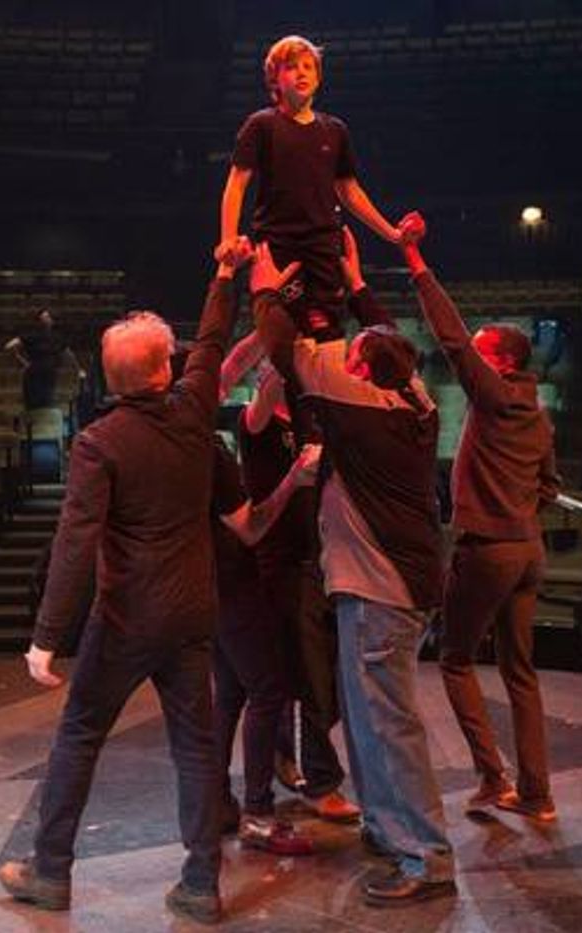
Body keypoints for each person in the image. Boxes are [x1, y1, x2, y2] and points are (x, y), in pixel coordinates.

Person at [0, 245, 248, 926]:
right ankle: (201, 883)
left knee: (79, 734)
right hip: (193, 611)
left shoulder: (99, 442)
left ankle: (50, 872)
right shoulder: (195, 411)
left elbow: (74, 543)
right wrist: (225, 275)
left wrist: (48, 637)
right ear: (164, 369)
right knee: (196, 747)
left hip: (129, 617)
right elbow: (216, 341)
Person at [250, 242, 456, 907]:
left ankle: (426, 855)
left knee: (388, 723)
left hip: (380, 589)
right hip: (380, 583)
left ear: (361, 370)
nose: (344, 356)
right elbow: (388, 338)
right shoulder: (415, 399)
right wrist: (360, 283)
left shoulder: (360, 410)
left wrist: (266, 286)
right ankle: (388, 826)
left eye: (353, 354)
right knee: (369, 721)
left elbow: (283, 346)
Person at [393, 221, 561, 822]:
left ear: (501, 361)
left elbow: (453, 339)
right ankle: (538, 797)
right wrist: (515, 511)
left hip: (488, 548)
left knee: (455, 660)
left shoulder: (492, 395)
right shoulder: (537, 415)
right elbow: (550, 485)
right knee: (522, 674)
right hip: (527, 549)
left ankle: (494, 777)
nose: (473, 357)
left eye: (484, 352)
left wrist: (415, 260)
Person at [223, 339, 360, 825]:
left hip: (317, 560)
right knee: (311, 678)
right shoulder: (256, 419)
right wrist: (279, 343)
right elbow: (260, 401)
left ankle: (286, 758)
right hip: (280, 565)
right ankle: (320, 781)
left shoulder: (310, 420)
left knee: (314, 678)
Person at [217, 34, 411, 331]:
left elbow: (349, 190)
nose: (302, 72)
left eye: (308, 67)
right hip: (278, 245)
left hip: (323, 246)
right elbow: (236, 184)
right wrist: (228, 239)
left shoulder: (334, 130)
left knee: (327, 332)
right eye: (292, 66)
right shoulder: (261, 125)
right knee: (279, 333)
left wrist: (392, 234)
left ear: (319, 78)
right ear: (274, 79)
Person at [208, 428, 325, 855]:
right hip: (233, 584)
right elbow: (252, 528)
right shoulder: (208, 450)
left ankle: (216, 803)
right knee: (269, 688)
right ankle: (257, 814)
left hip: (207, 585)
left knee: (230, 696)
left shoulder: (173, 439)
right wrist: (294, 478)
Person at [4, 308, 83, 410]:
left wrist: (78, 368)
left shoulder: (57, 337)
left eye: (47, 317)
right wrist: (22, 360)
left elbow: (69, 355)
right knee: (35, 406)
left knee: (45, 405)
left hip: (48, 376)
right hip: (35, 376)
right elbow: (9, 346)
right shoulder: (32, 335)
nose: (45, 320)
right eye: (43, 318)